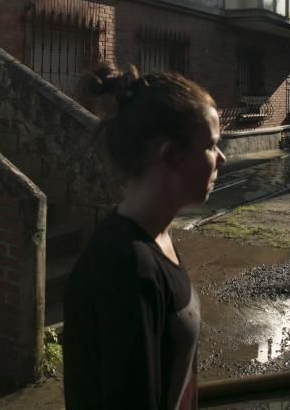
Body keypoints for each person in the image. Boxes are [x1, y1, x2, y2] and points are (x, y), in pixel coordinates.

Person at [63, 64, 225, 410]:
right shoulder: (125, 267)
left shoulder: (157, 238)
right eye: (211, 146)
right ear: (170, 155)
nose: (221, 158)